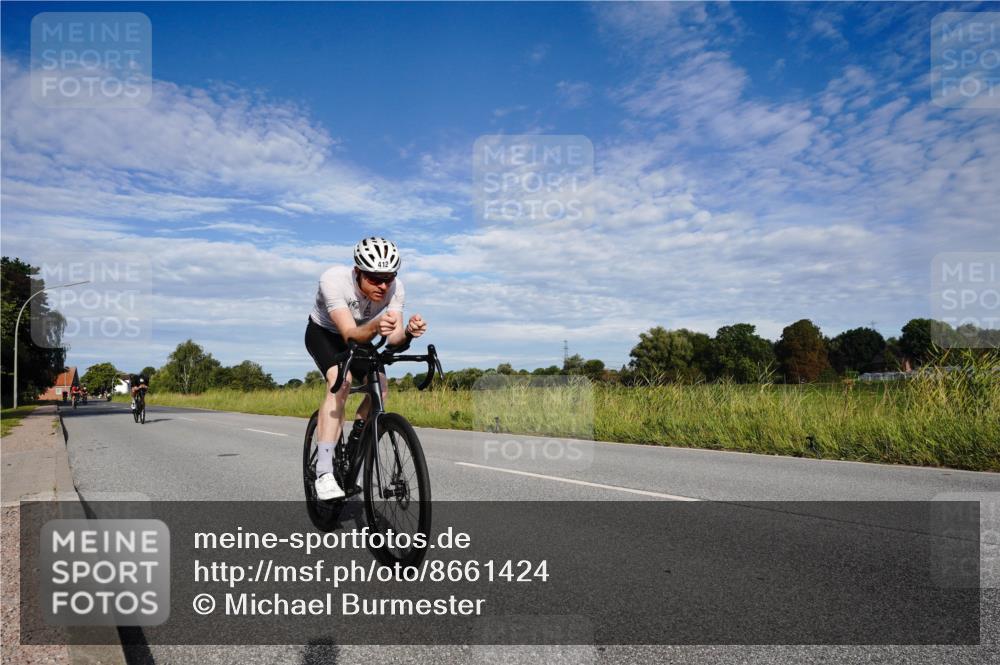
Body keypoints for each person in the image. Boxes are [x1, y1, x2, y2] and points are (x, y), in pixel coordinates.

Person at [305, 237, 427, 500]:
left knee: (381, 388)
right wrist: (376, 325)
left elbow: (394, 340)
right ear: (357, 271)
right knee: (341, 380)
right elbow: (349, 334)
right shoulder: (333, 280)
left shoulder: (396, 289)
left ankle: (355, 446)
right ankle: (324, 471)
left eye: (389, 278)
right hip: (325, 333)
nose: (383, 286)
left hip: (361, 334)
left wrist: (407, 333)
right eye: (374, 279)